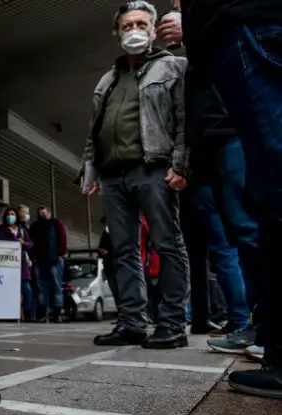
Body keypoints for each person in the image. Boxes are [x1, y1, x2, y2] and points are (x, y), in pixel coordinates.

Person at [162, 0, 282, 396]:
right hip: (208, 146)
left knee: (262, 210)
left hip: (249, 30)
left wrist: (197, 25)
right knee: (253, 222)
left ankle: (249, 325)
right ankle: (268, 335)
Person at [80, 1, 190, 349]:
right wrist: (89, 167)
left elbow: (185, 119)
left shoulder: (172, 67)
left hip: (154, 169)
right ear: (118, 33)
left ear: (154, 30)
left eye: (141, 23)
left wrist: (181, 164)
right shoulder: (107, 80)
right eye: (127, 25)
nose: (134, 30)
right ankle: (132, 322)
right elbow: (93, 129)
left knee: (167, 244)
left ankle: (171, 324)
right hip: (113, 175)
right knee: (123, 251)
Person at [0, 207, 34, 321]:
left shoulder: (21, 229)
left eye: (12, 214)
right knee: (7, 290)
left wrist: (24, 243)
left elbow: (31, 244)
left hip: (21, 265)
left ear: (16, 216)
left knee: (27, 290)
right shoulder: (0, 229)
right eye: (8, 214)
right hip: (6, 265)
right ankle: (6, 313)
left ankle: (28, 313)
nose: (10, 216)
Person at [29, 206, 68, 323]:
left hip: (55, 260)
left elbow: (62, 238)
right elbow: (31, 242)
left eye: (44, 213)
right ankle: (42, 315)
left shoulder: (56, 223)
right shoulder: (34, 226)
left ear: (49, 213)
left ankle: (57, 314)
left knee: (57, 287)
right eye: (40, 213)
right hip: (40, 262)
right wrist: (34, 258)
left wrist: (60, 253)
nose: (42, 215)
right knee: (42, 288)